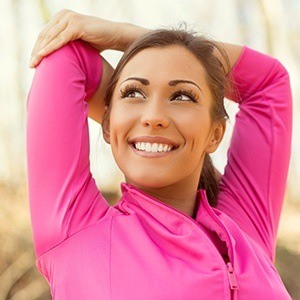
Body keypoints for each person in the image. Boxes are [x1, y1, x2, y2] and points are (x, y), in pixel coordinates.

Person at [26, 9, 292, 299]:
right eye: (134, 94)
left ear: (214, 134)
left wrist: (129, 36)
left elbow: (269, 83)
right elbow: (66, 57)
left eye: (182, 97)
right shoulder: (76, 231)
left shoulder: (244, 228)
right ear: (107, 122)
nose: (153, 117)